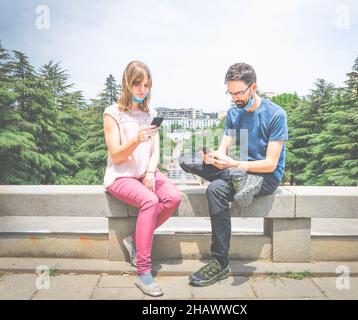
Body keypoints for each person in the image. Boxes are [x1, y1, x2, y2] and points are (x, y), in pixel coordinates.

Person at [179, 62, 288, 287]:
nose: (235, 98)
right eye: (230, 93)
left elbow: (271, 163)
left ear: (253, 87)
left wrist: (235, 164)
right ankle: (220, 263)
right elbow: (223, 148)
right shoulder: (233, 113)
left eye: (239, 92)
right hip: (237, 171)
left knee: (222, 182)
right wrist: (214, 158)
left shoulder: (276, 114)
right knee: (188, 160)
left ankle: (219, 261)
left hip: (265, 176)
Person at [103, 60, 181, 297]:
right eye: (137, 83)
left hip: (145, 173)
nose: (141, 89)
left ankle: (135, 239)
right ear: (128, 82)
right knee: (151, 201)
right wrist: (136, 139)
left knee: (173, 198)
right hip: (121, 177)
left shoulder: (151, 113)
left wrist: (149, 172)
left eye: (146, 84)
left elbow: (155, 150)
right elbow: (116, 155)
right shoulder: (112, 113)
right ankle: (143, 272)